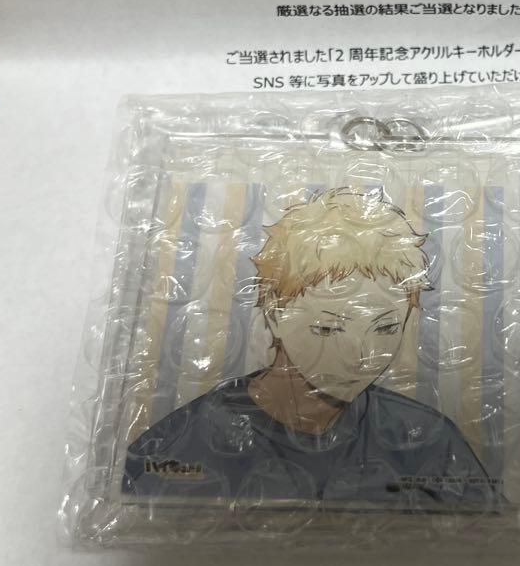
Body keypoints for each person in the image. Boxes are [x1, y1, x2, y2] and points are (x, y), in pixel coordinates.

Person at [122, 186, 499, 512]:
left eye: (386, 327)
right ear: (274, 314)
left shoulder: (425, 438)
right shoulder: (185, 442)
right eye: (328, 328)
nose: (361, 355)